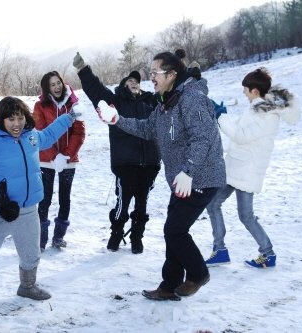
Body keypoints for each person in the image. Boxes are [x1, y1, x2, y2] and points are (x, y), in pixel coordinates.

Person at [102, 51, 226, 300]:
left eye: (155, 73)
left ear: (171, 74)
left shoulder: (192, 98)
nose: (151, 78)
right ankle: (169, 286)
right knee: (174, 231)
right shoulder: (166, 101)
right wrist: (117, 120)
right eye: (150, 73)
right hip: (181, 179)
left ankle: (198, 273)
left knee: (174, 230)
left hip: (201, 177)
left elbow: (202, 138)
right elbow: (147, 128)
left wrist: (188, 171)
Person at [0, 96, 82, 320]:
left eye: (20, 117)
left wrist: (69, 118)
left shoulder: (31, 136)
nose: (16, 123)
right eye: (11, 119)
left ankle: (27, 286)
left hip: (28, 209)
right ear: (2, 120)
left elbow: (49, 135)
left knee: (31, 254)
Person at [205, 68, 300, 268]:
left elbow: (241, 136)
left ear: (255, 91)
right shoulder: (258, 108)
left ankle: (267, 253)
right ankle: (220, 250)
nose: (243, 93)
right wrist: (223, 115)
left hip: (246, 171)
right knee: (213, 204)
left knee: (245, 215)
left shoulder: (267, 114)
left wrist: (220, 116)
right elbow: (240, 128)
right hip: (237, 168)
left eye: (245, 89)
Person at [73, 52, 161, 254]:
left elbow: (174, 95)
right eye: (130, 80)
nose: (134, 82)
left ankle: (137, 237)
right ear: (123, 86)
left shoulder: (151, 101)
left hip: (150, 162)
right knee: (123, 203)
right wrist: (83, 69)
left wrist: (192, 76)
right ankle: (116, 232)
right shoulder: (116, 102)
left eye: (137, 80)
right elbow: (95, 90)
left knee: (142, 204)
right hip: (125, 162)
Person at [33, 71, 86, 251]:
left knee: (65, 197)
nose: (56, 87)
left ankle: (58, 237)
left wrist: (65, 155)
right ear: (47, 88)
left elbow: (79, 133)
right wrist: (53, 155)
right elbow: (39, 133)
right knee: (44, 198)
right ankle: (40, 239)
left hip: (68, 160)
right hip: (45, 160)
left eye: (58, 83)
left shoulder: (74, 105)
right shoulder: (39, 106)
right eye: (52, 84)